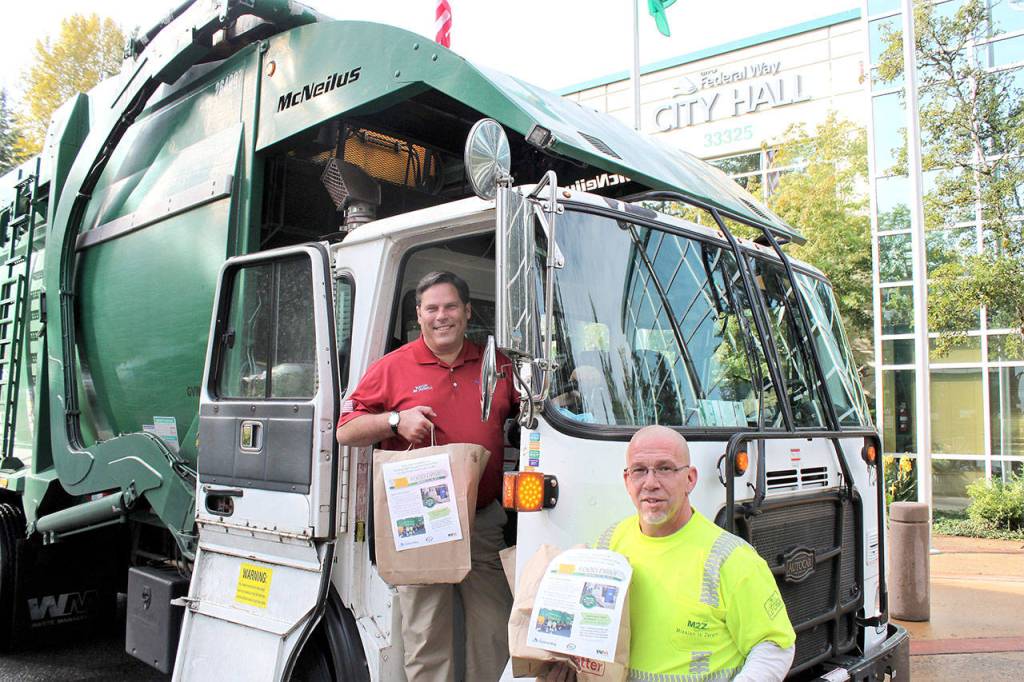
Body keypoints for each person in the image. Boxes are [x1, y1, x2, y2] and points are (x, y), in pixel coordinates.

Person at [336, 271, 516, 682]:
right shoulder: (393, 367)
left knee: (494, 633)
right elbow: (346, 431)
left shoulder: (499, 364)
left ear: (468, 312)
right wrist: (396, 420)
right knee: (427, 637)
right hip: (421, 523)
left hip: (482, 520)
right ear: (419, 315)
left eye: (450, 306)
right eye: (431, 308)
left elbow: (534, 412)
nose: (442, 316)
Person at [544, 425, 795, 682]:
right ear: (627, 480)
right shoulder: (609, 544)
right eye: (639, 470)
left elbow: (774, 646)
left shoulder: (731, 557)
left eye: (665, 468)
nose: (651, 483)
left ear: (690, 479)